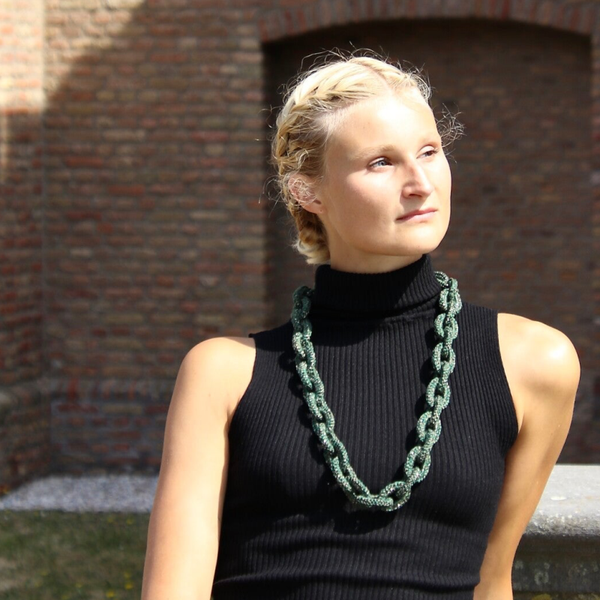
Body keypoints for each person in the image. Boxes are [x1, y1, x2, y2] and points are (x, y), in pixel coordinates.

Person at [141, 53, 580, 600]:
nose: (420, 183)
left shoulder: (534, 364)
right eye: (380, 163)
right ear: (307, 192)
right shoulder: (223, 374)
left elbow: (490, 583)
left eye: (429, 152)